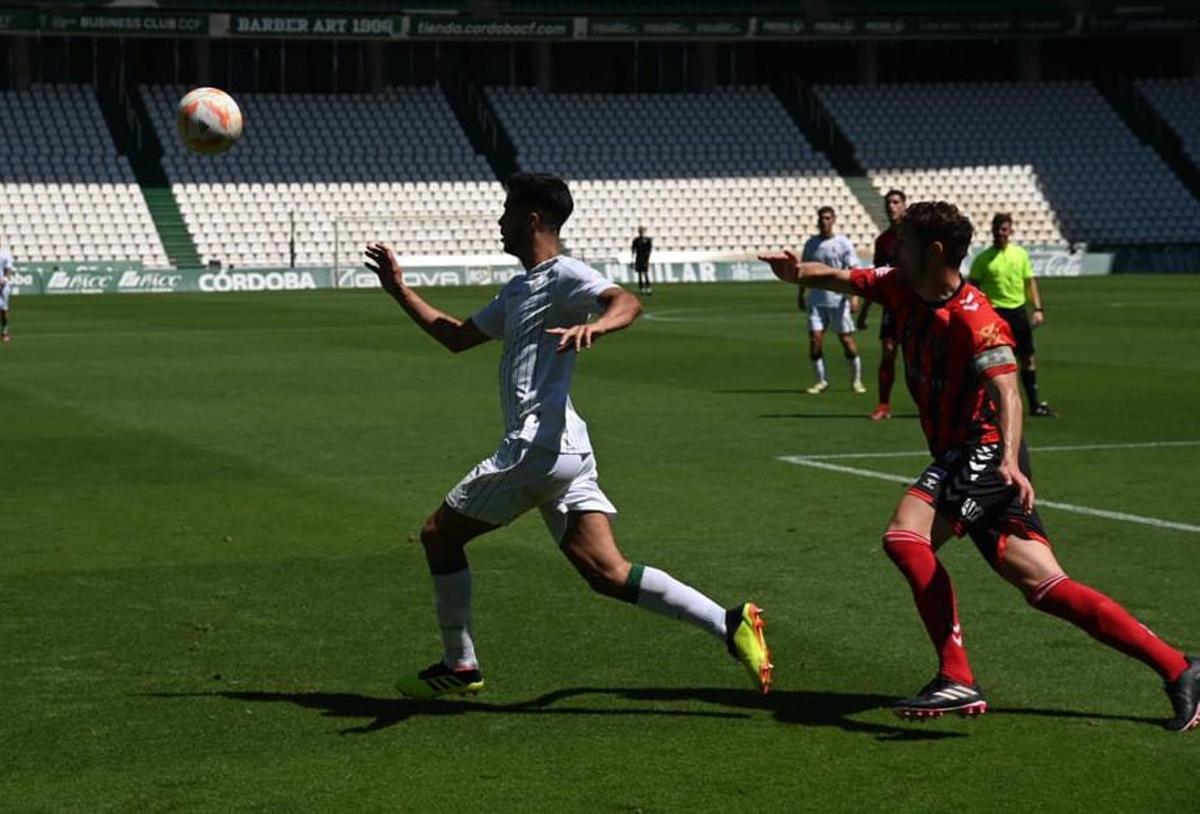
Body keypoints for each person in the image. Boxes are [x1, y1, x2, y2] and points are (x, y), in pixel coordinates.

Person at [760, 201, 1198, 731]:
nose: (893, 246)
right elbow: (840, 276)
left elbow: (1008, 392)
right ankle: (1181, 670)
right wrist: (795, 273)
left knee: (905, 536)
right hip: (967, 455)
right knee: (1042, 582)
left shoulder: (977, 319)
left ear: (935, 251)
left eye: (904, 239)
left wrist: (1009, 459)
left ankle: (957, 676)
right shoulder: (898, 283)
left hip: (984, 450)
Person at [363, 172, 771, 700]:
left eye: (507, 211)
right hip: (568, 447)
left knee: (440, 535)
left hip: (538, 445)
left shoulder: (564, 274)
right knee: (607, 573)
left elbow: (624, 300)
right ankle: (731, 622)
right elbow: (457, 337)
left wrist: (598, 327)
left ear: (532, 219)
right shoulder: (519, 289)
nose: (499, 222)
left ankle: (459, 662)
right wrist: (399, 289)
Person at [969, 213, 1053, 417]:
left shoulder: (1020, 254)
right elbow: (973, 288)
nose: (1000, 233)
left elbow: (1029, 282)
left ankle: (1033, 404)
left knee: (1027, 357)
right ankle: (985, 406)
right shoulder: (983, 259)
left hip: (1018, 312)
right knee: (992, 361)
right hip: (994, 315)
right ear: (992, 231)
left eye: (1004, 229)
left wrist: (1038, 309)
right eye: (997, 229)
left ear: (1010, 231)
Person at [799, 207, 864, 394]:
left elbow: (853, 271)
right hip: (816, 300)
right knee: (815, 340)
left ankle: (856, 380)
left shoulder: (843, 243)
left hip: (839, 300)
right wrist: (801, 294)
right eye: (821, 218)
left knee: (846, 340)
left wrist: (854, 297)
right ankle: (821, 381)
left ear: (833, 220)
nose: (824, 221)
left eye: (827, 218)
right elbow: (803, 271)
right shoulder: (811, 244)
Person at [856, 189, 906, 420]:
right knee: (888, 352)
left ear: (904, 205)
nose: (891, 207)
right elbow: (876, 279)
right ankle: (883, 404)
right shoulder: (883, 241)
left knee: (922, 357)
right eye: (889, 203)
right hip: (893, 306)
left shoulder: (916, 237)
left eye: (896, 202)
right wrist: (865, 312)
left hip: (918, 306)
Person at [631, 226, 653, 296]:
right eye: (640, 231)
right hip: (638, 258)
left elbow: (649, 250)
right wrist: (632, 260)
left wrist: (647, 259)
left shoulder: (647, 240)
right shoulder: (636, 240)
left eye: (642, 231)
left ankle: (648, 288)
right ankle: (642, 289)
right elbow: (633, 250)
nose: (641, 232)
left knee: (645, 273)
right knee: (640, 274)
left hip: (644, 258)